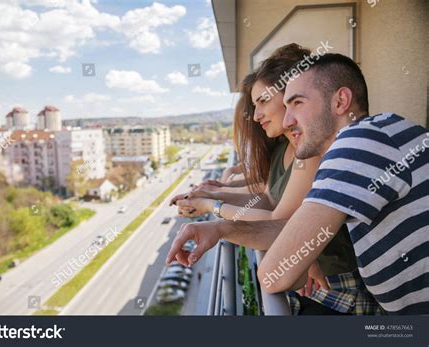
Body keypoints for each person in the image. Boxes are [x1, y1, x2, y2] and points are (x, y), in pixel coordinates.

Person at [166, 52, 429, 315]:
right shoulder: (378, 133)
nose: (288, 119)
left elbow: (274, 275)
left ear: (341, 101)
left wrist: (216, 209)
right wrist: (221, 229)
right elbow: (285, 229)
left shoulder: (360, 143)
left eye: (298, 103)